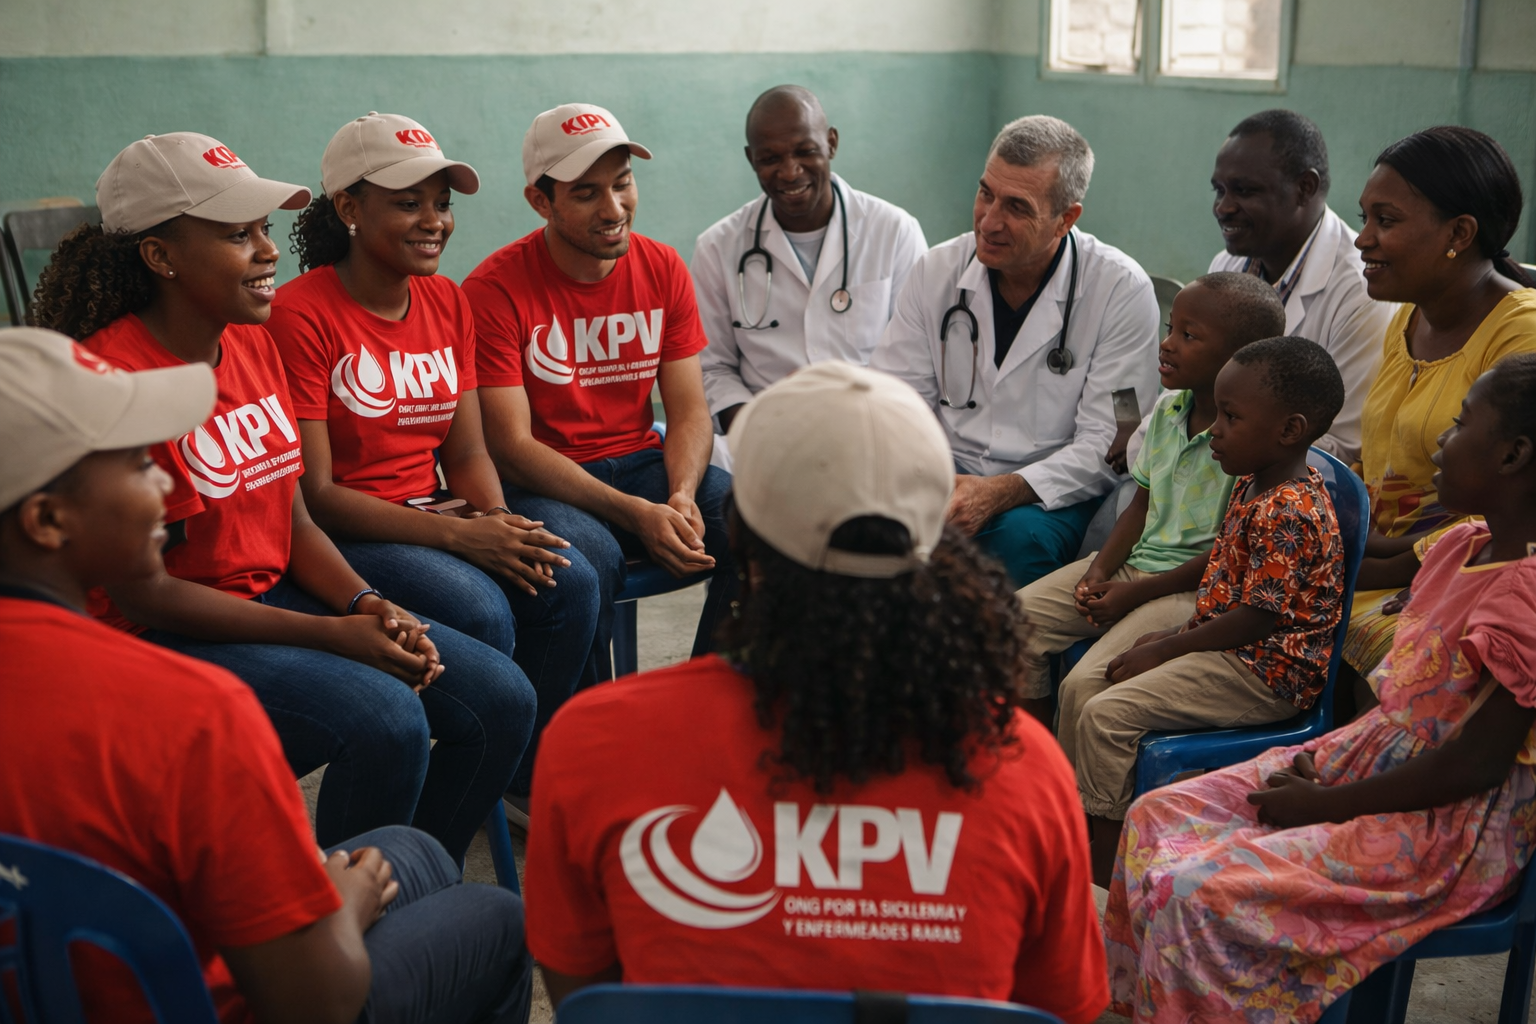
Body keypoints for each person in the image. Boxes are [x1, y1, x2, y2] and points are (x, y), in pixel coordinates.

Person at [524, 362, 1107, 1024]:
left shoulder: (597, 740)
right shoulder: (1022, 764)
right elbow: (1059, 1010)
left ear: (737, 532)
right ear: (936, 538)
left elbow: (590, 998)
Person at [0, 326, 530, 1024]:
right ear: (46, 519)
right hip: (211, 1000)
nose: (165, 481)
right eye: (136, 466)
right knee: (497, 916)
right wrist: (343, 906)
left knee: (416, 852)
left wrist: (361, 602)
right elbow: (317, 1000)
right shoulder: (193, 711)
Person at [29, 133, 534, 863]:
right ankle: (345, 924)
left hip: (270, 600)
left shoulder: (250, 342)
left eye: (265, 229)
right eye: (238, 235)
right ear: (160, 256)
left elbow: (291, 519)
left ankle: (412, 879)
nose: (269, 251)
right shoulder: (114, 380)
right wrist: (333, 635)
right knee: (384, 717)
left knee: (499, 699)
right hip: (168, 637)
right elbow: (146, 596)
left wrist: (366, 604)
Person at [1105, 353, 1536, 1024]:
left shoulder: (1528, 598)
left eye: (1459, 425)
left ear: (1513, 455)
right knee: (1152, 817)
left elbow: (1473, 765)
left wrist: (1327, 804)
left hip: (1442, 828)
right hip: (1370, 762)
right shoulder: (1462, 544)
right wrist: (1331, 777)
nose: (1444, 443)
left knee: (1201, 893)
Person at [270, 112, 600, 817]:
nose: (434, 221)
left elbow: (468, 451)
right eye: (409, 202)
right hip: (355, 529)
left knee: (563, 576)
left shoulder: (447, 301)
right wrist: (462, 537)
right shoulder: (302, 315)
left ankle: (507, 777)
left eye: (442, 203)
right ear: (350, 209)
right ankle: (418, 791)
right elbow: (318, 496)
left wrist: (498, 523)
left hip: (432, 510)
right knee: (478, 606)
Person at [464, 103, 735, 679]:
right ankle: (590, 734)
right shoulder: (493, 290)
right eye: (586, 193)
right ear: (541, 201)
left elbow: (689, 412)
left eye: (623, 183)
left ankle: (707, 703)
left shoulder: (663, 268)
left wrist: (682, 493)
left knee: (759, 524)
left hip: (640, 462)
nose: (614, 209)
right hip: (543, 480)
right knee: (589, 559)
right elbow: (510, 445)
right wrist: (636, 513)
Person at [1073, 336, 1346, 887]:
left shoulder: (1287, 509)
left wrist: (1165, 645)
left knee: (1107, 716)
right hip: (1225, 645)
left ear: (1289, 430)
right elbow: (1227, 592)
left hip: (1264, 672)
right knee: (1090, 685)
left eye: (1230, 416)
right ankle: (1081, 828)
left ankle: (1105, 880)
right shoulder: (1253, 482)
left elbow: (1256, 620)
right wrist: (1171, 637)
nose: (1214, 429)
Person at [871, 114, 1159, 589]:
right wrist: (935, 485)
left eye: (1017, 207)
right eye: (986, 193)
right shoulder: (936, 271)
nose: (989, 220)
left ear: (1066, 218)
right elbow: (896, 402)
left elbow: (1109, 446)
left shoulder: (1119, 290)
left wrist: (998, 493)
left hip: (1046, 492)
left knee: (1018, 543)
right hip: (940, 470)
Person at [1015, 272, 1285, 722]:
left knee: (1087, 685)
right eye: (1170, 329)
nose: (1168, 344)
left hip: (1192, 588)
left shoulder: (1250, 443)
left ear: (1240, 357)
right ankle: (1038, 761)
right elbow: (1139, 506)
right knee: (1012, 623)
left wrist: (1133, 593)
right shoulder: (1168, 409)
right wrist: (1098, 572)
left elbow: (1224, 555)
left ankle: (1083, 789)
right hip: (1134, 564)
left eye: (1188, 335)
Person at [1342, 126, 1536, 691]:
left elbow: (1520, 499)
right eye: (1364, 219)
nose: (1363, 240)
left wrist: (1398, 569)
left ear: (1459, 233)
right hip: (1377, 562)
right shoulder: (1409, 315)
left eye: (1387, 220)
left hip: (1465, 573)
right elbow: (1379, 458)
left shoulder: (1519, 333)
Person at [692, 85, 927, 469]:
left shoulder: (894, 231)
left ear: (831, 143)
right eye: (770, 158)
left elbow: (916, 360)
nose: (789, 171)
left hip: (871, 429)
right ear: (751, 159)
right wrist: (758, 428)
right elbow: (713, 366)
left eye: (805, 151)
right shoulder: (718, 247)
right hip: (762, 436)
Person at [1208, 109, 1393, 466]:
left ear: (1304, 188)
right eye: (1219, 189)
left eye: (1245, 190)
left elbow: (1344, 445)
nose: (1223, 207)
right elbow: (1199, 394)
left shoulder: (1360, 291)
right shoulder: (1227, 266)